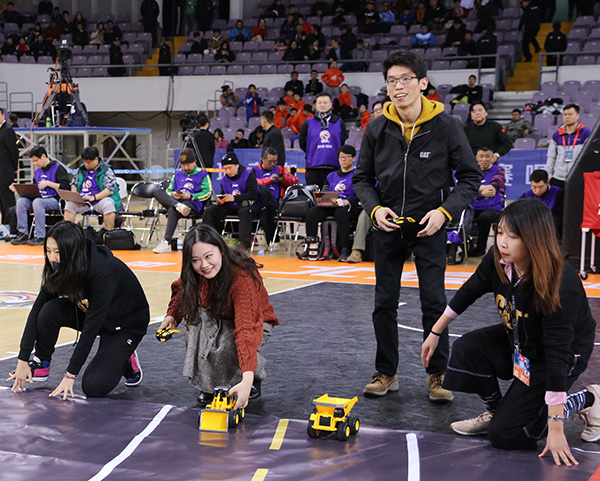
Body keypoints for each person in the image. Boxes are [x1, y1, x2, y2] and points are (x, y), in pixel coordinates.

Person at [421, 199, 599, 463]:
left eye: (512, 236)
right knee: (467, 349)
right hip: (522, 340)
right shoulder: (500, 261)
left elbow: (557, 354)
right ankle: (498, 410)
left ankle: (589, 399)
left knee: (507, 436)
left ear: (535, 240)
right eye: (500, 232)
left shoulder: (560, 284)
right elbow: (470, 290)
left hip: (559, 355)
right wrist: (435, 332)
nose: (502, 242)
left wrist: (556, 426)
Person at [353, 50, 481, 400]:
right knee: (383, 303)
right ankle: (386, 372)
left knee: (433, 301)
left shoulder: (447, 126)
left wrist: (444, 212)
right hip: (389, 226)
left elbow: (470, 177)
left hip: (431, 227)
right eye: (392, 80)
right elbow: (361, 179)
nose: (398, 86)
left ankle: (437, 375)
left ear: (423, 83)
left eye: (406, 79)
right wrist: (375, 209)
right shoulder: (377, 128)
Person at [8, 221, 150, 399]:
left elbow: (91, 328)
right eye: (49, 250)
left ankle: (125, 356)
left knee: (93, 386)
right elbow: (35, 311)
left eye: (58, 252)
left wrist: (70, 375)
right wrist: (23, 359)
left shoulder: (101, 272)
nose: (52, 257)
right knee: (49, 310)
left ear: (72, 251)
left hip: (124, 325)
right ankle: (41, 363)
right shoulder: (61, 266)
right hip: (94, 314)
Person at [158, 223, 279, 408]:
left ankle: (252, 378)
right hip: (216, 316)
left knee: (225, 344)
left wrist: (247, 379)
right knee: (196, 325)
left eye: (208, 256)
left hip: (254, 322)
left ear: (221, 250)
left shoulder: (242, 277)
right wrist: (173, 315)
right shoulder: (195, 273)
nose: (204, 265)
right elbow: (183, 288)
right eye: (195, 260)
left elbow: (247, 328)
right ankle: (210, 385)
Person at [303, 145, 361, 262]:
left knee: (341, 211)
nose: (343, 160)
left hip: (350, 206)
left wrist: (347, 201)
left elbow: (361, 195)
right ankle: (311, 245)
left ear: (354, 158)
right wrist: (322, 198)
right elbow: (325, 192)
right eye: (341, 157)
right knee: (313, 212)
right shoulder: (331, 176)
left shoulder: (358, 175)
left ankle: (344, 249)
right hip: (332, 205)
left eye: (347, 157)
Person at [152, 148, 212, 254]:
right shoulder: (178, 175)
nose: (186, 168)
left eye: (188, 165)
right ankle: (177, 205)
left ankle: (166, 242)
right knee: (156, 190)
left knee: (172, 209)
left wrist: (191, 196)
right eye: (183, 165)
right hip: (177, 202)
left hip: (192, 204)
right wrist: (173, 194)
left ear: (195, 162)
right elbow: (169, 190)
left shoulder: (203, 175)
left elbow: (207, 193)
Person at [10, 146, 70, 246]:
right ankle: (23, 233)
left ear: (43, 156)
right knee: (22, 202)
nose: (35, 164)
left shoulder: (58, 168)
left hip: (55, 200)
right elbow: (34, 188)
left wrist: (48, 183)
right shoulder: (38, 172)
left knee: (38, 202)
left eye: (36, 161)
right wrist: (19, 188)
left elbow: (65, 186)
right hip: (40, 199)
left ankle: (40, 236)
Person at [202, 152, 260, 250]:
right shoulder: (224, 179)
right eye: (225, 169)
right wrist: (222, 200)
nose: (228, 171)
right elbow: (224, 194)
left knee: (244, 211)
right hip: (231, 206)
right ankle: (207, 240)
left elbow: (254, 194)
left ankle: (243, 245)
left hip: (247, 205)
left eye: (230, 167)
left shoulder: (248, 174)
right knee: (211, 210)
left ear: (237, 165)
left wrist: (235, 198)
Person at [64, 146, 120, 231]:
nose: (86, 164)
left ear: (96, 159)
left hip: (100, 200)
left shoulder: (106, 170)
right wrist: (75, 195)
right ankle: (68, 233)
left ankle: (109, 233)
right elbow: (74, 184)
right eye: (84, 162)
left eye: (89, 162)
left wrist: (94, 197)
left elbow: (109, 189)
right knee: (69, 204)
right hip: (82, 200)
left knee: (108, 204)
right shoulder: (81, 169)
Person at [299, 92, 348, 188]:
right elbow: (303, 143)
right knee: (313, 199)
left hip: (333, 167)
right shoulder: (308, 123)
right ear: (315, 105)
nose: (322, 105)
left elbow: (342, 140)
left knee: (331, 200)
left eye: (325, 103)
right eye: (319, 103)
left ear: (330, 105)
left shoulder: (339, 122)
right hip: (313, 168)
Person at [253, 147, 298, 242]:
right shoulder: (254, 170)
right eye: (270, 162)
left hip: (276, 203)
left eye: (275, 161)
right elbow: (253, 183)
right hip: (259, 202)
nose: (273, 164)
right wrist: (269, 180)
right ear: (263, 159)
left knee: (269, 209)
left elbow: (295, 181)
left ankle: (271, 238)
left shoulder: (280, 169)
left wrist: (284, 179)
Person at [468, 145, 505, 257]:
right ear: (476, 157)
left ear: (492, 157)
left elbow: (493, 189)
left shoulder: (499, 170)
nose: (484, 159)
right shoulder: (472, 171)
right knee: (461, 214)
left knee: (485, 217)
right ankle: (459, 246)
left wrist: (475, 189)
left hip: (493, 207)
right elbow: (465, 189)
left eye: (487, 156)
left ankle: (480, 248)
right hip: (473, 206)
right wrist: (481, 193)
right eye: (481, 156)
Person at [545, 103, 591, 189]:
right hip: (558, 178)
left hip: (577, 177)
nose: (567, 117)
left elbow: (588, 157)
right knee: (559, 202)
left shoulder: (586, 133)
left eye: (570, 114)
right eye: (565, 115)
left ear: (577, 116)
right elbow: (551, 156)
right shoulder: (557, 134)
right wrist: (549, 174)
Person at [520, 169, 563, 236]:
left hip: (551, 232)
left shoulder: (558, 193)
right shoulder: (526, 196)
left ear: (548, 182)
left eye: (541, 187)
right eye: (534, 187)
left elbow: (560, 218)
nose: (537, 190)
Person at [0, 107, 18, 233]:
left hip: (5, 169)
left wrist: (14, 167)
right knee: (1, 198)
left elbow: (14, 151)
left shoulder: (7, 130)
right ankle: (5, 224)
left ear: (2, 115)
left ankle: (13, 226)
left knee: (7, 198)